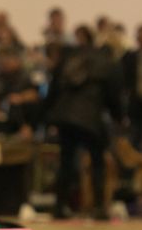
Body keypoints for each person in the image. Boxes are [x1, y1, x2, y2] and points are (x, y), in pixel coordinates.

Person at [45, 35, 124, 220]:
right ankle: (98, 208)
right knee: (97, 162)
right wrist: (118, 117)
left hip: (64, 116)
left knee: (66, 162)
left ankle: (60, 206)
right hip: (90, 119)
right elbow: (114, 96)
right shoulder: (108, 64)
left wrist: (48, 117)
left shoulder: (71, 58)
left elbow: (53, 89)